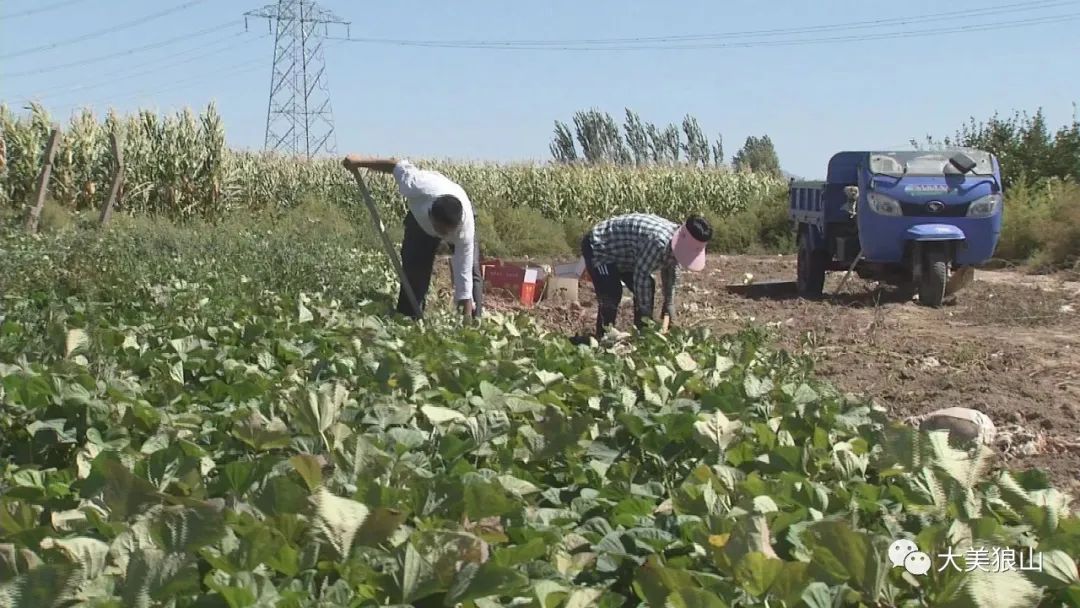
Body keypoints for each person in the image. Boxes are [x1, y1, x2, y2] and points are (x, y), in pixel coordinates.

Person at [342, 154, 482, 322]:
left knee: (472, 273)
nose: (442, 236)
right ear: (430, 215)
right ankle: (409, 319)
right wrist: (359, 162)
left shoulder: (464, 229)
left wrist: (466, 320)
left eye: (447, 232)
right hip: (420, 220)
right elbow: (396, 165)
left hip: (457, 203)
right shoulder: (416, 185)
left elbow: (463, 276)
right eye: (439, 230)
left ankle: (473, 323)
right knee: (415, 268)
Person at [574, 212, 712, 343]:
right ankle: (603, 335)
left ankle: (641, 334)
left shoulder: (677, 243)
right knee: (612, 292)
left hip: (628, 255)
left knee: (649, 286)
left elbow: (671, 269)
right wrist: (646, 310)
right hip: (600, 248)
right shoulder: (659, 243)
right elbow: (641, 276)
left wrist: (669, 302)